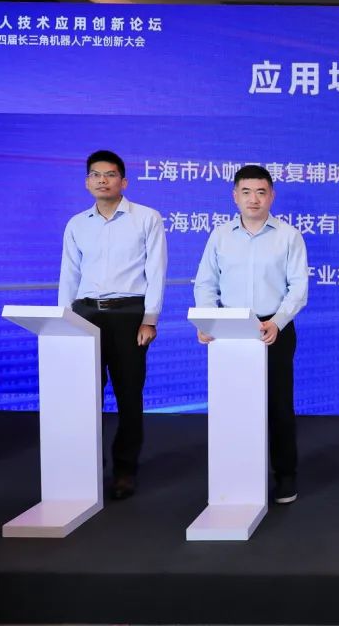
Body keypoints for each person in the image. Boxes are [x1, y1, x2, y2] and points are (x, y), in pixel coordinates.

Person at [194, 165, 309, 504]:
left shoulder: (288, 235)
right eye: (246, 192)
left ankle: (285, 476)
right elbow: (205, 282)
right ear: (235, 196)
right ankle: (237, 475)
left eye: (261, 192)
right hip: (230, 329)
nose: (253, 199)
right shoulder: (220, 236)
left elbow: (298, 288)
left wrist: (278, 321)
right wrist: (208, 321)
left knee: (278, 406)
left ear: (272, 195)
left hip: (273, 328)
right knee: (233, 405)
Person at [58, 150, 167, 500]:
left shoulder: (147, 218)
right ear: (87, 182)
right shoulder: (77, 224)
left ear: (124, 181)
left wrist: (150, 319)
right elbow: (68, 275)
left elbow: (156, 272)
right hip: (86, 313)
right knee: (82, 396)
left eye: (109, 174)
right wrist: (64, 321)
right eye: (95, 174)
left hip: (128, 315)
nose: (102, 180)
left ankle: (124, 471)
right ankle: (85, 468)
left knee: (128, 396)